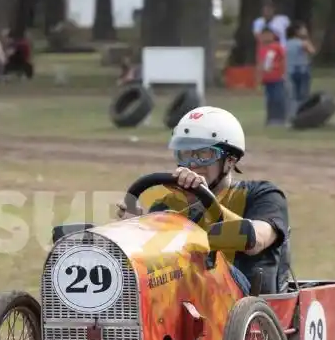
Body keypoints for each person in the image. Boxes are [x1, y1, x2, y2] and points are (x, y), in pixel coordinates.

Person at [116, 106, 291, 297]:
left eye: (204, 155)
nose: (192, 164)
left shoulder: (264, 195)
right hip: (184, 305)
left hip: (246, 308)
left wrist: (202, 201)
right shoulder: (167, 206)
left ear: (230, 161)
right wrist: (136, 230)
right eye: (185, 154)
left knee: (203, 269)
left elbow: (256, 240)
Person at [256, 25, 288, 125]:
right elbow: (260, 62)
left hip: (277, 77)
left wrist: (284, 72)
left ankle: (280, 118)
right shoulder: (261, 48)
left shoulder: (277, 47)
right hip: (267, 78)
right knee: (269, 99)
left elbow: (284, 59)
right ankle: (271, 118)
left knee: (278, 98)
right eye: (263, 35)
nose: (266, 37)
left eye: (268, 35)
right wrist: (259, 76)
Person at [285, 22, 315, 105]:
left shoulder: (286, 43)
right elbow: (312, 51)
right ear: (297, 32)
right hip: (302, 70)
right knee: (303, 95)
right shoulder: (302, 43)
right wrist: (306, 37)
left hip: (289, 70)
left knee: (292, 95)